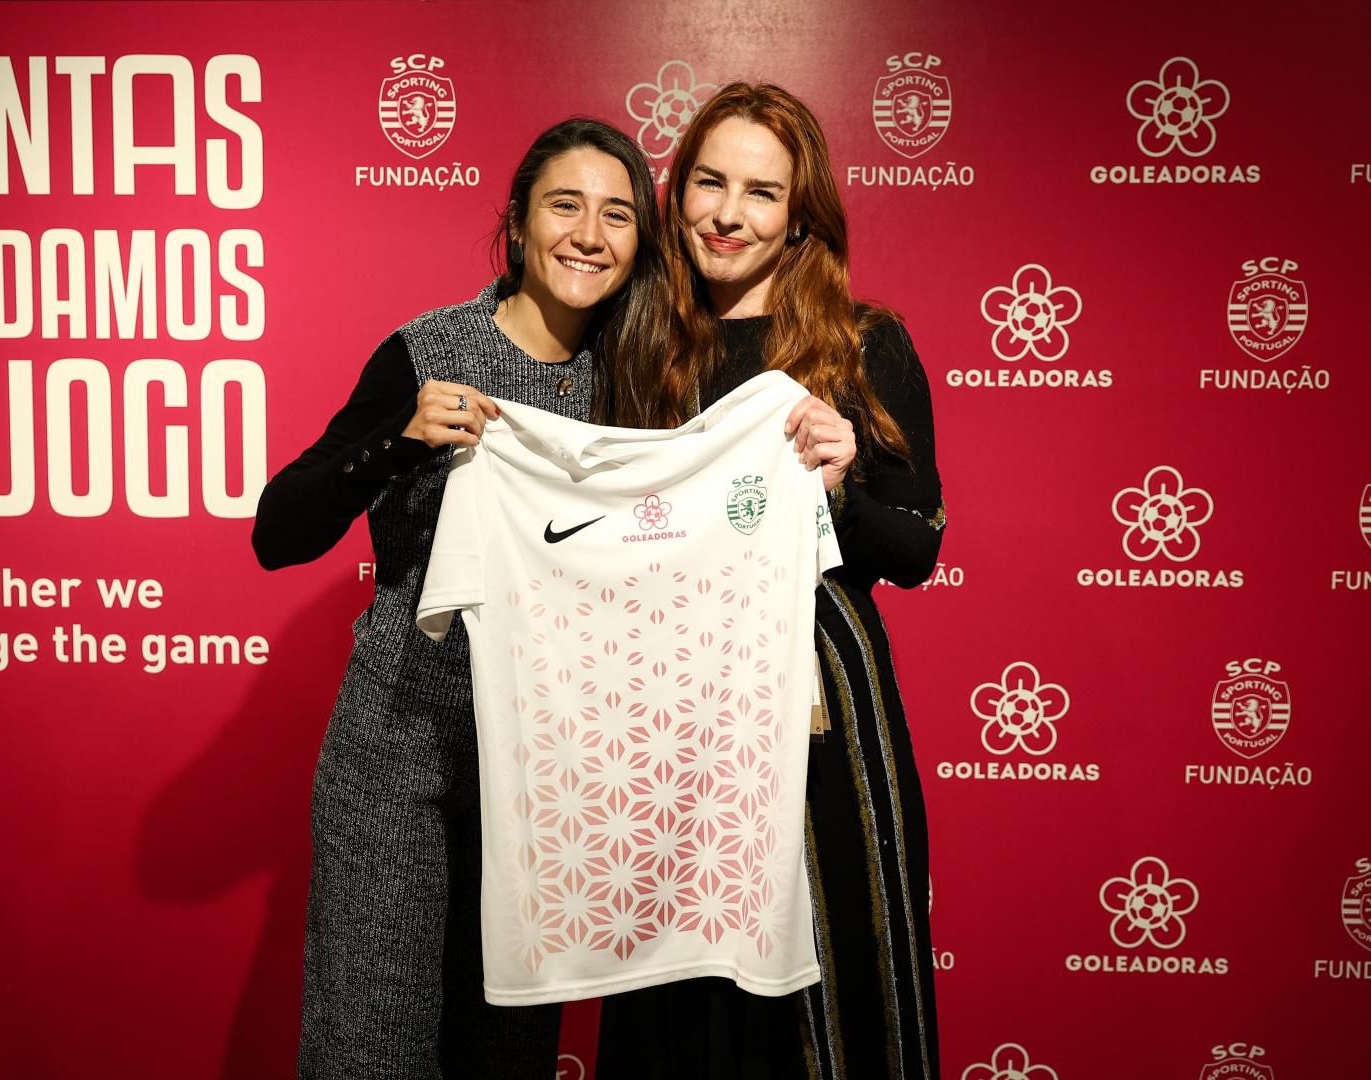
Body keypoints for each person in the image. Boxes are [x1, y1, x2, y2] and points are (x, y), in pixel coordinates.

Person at [251, 117, 663, 1079]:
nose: (588, 235)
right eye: (565, 206)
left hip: (545, 782)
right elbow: (279, 531)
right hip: (397, 760)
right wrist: (395, 440)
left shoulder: (642, 380)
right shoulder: (429, 352)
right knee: (371, 1050)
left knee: (506, 1058)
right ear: (517, 222)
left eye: (616, 215)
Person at [596, 83, 947, 1080]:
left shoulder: (864, 343)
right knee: (676, 989)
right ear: (676, 193)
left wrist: (839, 492)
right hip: (668, 705)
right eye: (709, 183)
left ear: (800, 215)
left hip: (821, 709)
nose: (728, 214)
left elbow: (916, 549)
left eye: (761, 191)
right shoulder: (636, 343)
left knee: (834, 984)